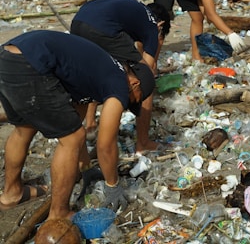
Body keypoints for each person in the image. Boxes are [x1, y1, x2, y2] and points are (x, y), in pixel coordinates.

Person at [0, 30, 155, 217]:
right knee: (72, 138)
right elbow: (105, 145)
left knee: (24, 129)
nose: (126, 105)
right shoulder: (119, 82)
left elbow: (75, 118)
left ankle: (12, 194)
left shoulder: (98, 72)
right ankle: (59, 213)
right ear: (135, 83)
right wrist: (112, 185)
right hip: (30, 64)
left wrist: (86, 167)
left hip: (8, 57)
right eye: (133, 101)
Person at [70, 0, 171, 151]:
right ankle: (143, 143)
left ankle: (87, 128)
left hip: (78, 22)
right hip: (101, 28)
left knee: (93, 76)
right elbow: (147, 69)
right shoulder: (152, 25)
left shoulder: (133, 11)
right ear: (161, 25)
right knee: (144, 83)